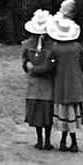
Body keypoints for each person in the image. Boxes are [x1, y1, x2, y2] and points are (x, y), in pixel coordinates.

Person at [44, 15, 83, 153]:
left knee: (65, 113)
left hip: (61, 85)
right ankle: (69, 142)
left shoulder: (55, 49)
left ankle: (67, 141)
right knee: (71, 114)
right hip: (76, 85)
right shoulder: (77, 47)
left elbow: (50, 67)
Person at [21, 9, 55, 150]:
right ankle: (46, 140)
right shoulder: (53, 46)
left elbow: (25, 64)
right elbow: (51, 67)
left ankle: (40, 140)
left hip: (34, 85)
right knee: (47, 114)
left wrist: (30, 68)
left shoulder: (27, 45)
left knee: (37, 114)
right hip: (47, 84)